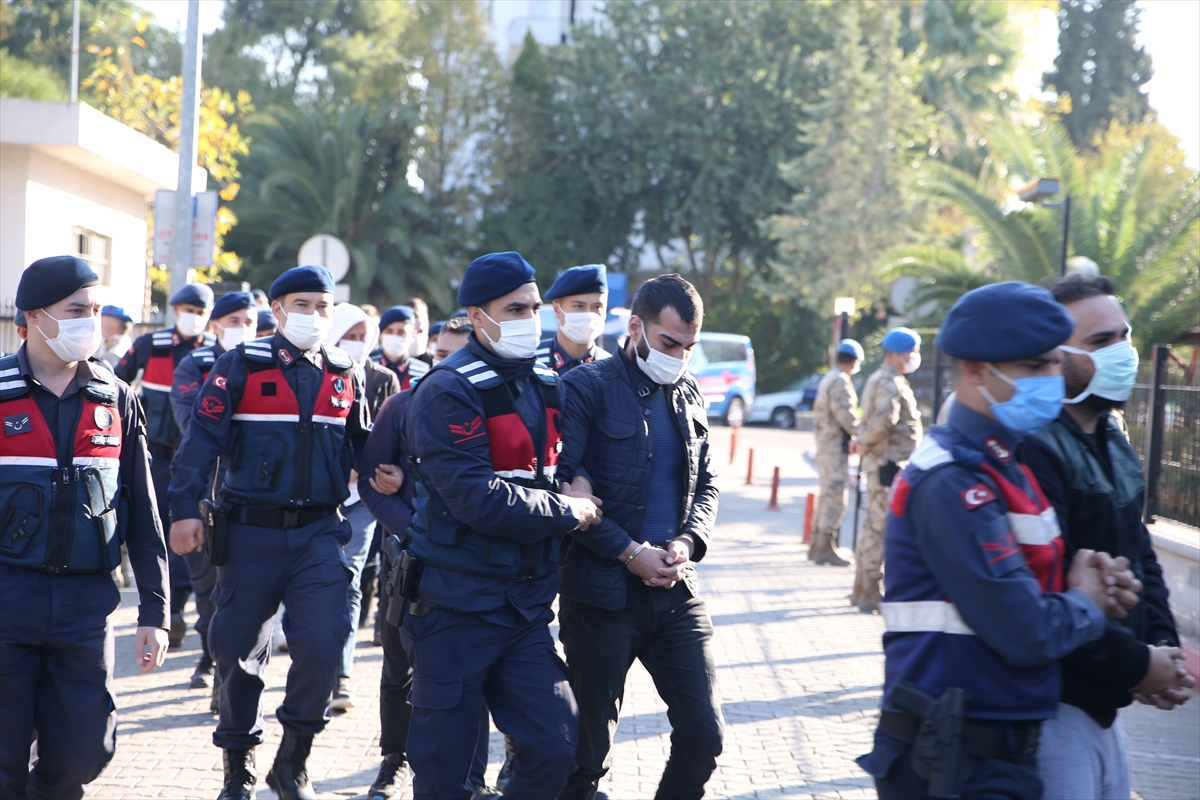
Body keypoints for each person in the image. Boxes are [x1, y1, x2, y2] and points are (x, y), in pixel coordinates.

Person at [856, 281, 1144, 800]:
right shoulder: (954, 480)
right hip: (955, 758)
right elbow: (1025, 630)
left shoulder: (1003, 465)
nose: (1052, 380)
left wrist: (1090, 580)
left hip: (995, 751)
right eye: (1034, 368)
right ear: (975, 371)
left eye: (1056, 364)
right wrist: (1088, 602)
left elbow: (1040, 588)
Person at [399, 251, 600, 800]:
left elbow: (563, 463)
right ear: (477, 316)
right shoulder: (448, 389)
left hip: (524, 612)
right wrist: (569, 510)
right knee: (445, 778)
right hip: (455, 609)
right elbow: (476, 499)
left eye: (535, 308)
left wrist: (577, 485)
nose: (531, 319)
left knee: (557, 748)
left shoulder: (546, 381)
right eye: (515, 309)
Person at [168, 266, 372, 800]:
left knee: (326, 642)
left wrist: (386, 472)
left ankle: (293, 761)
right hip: (250, 534)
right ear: (277, 310)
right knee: (239, 654)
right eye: (302, 304)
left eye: (324, 306)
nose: (315, 316)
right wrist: (184, 509)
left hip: (320, 534)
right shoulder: (240, 365)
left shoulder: (345, 370)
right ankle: (238, 766)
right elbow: (199, 444)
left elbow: (364, 445)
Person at [0, 256, 170, 800]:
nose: (90, 322)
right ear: (34, 318)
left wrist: (155, 611)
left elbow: (143, 512)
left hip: (85, 605)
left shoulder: (116, 396)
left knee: (83, 752)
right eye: (77, 310)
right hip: (8, 600)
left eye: (95, 310)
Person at [1021, 274, 1192, 800]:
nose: (1124, 352)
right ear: (1053, 355)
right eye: (1101, 342)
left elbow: (1141, 554)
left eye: (1125, 336)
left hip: (1107, 710)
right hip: (1054, 711)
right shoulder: (1035, 447)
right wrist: (1141, 666)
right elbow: (1050, 596)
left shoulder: (1113, 438)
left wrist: (1162, 648)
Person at [557, 273, 723, 800]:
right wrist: (630, 553)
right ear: (635, 327)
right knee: (586, 757)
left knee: (704, 735)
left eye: (690, 347)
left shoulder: (690, 393)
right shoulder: (585, 387)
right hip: (600, 597)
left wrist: (686, 543)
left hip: (675, 593)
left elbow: (708, 485)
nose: (679, 357)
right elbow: (566, 490)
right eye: (670, 342)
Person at [357, 321, 481, 800]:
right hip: (409, 564)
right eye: (441, 353)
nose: (448, 364)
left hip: (475, 568)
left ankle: (472, 773)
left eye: (459, 354)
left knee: (473, 673)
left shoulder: (491, 409)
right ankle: (393, 762)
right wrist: (416, 532)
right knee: (399, 669)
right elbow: (372, 479)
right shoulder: (403, 405)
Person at [115, 281, 215, 648]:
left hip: (195, 458)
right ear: (175, 311)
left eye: (201, 312)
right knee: (157, 525)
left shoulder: (215, 354)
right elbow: (114, 385)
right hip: (156, 453)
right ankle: (167, 606)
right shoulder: (150, 345)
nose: (194, 318)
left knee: (195, 526)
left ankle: (185, 600)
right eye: (188, 310)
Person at [169, 291, 258, 702]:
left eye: (250, 321)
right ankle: (210, 658)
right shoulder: (195, 364)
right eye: (235, 321)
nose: (243, 329)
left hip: (249, 495)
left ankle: (225, 673)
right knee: (207, 586)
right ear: (216, 326)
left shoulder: (266, 363)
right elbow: (194, 422)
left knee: (240, 590)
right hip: (204, 492)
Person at [323, 302, 400, 712]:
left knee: (349, 578)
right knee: (319, 582)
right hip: (319, 496)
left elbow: (388, 436)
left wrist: (365, 471)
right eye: (347, 336)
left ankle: (343, 674)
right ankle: (316, 664)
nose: (355, 345)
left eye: (360, 337)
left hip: (362, 498)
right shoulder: (320, 371)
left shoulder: (383, 378)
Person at [850, 328, 923, 613]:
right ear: (897, 354)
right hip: (887, 463)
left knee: (872, 524)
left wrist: (863, 443)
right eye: (911, 353)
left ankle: (861, 587)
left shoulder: (882, 379)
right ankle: (869, 590)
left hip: (883, 462)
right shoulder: (889, 382)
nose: (913, 358)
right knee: (879, 526)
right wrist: (864, 443)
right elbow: (884, 421)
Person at [810, 339, 862, 566]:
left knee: (826, 496)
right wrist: (864, 435)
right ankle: (824, 548)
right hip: (834, 448)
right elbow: (846, 415)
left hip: (826, 445)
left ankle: (817, 545)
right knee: (835, 499)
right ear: (854, 361)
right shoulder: (841, 381)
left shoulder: (829, 377)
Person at [537, 264, 611, 373]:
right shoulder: (533, 361)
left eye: (597, 307)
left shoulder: (611, 369)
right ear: (557, 309)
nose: (588, 315)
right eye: (579, 306)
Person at [375, 305, 430, 390]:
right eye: (389, 331)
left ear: (413, 335)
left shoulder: (422, 372)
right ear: (380, 334)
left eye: (401, 332)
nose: (395, 336)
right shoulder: (369, 367)